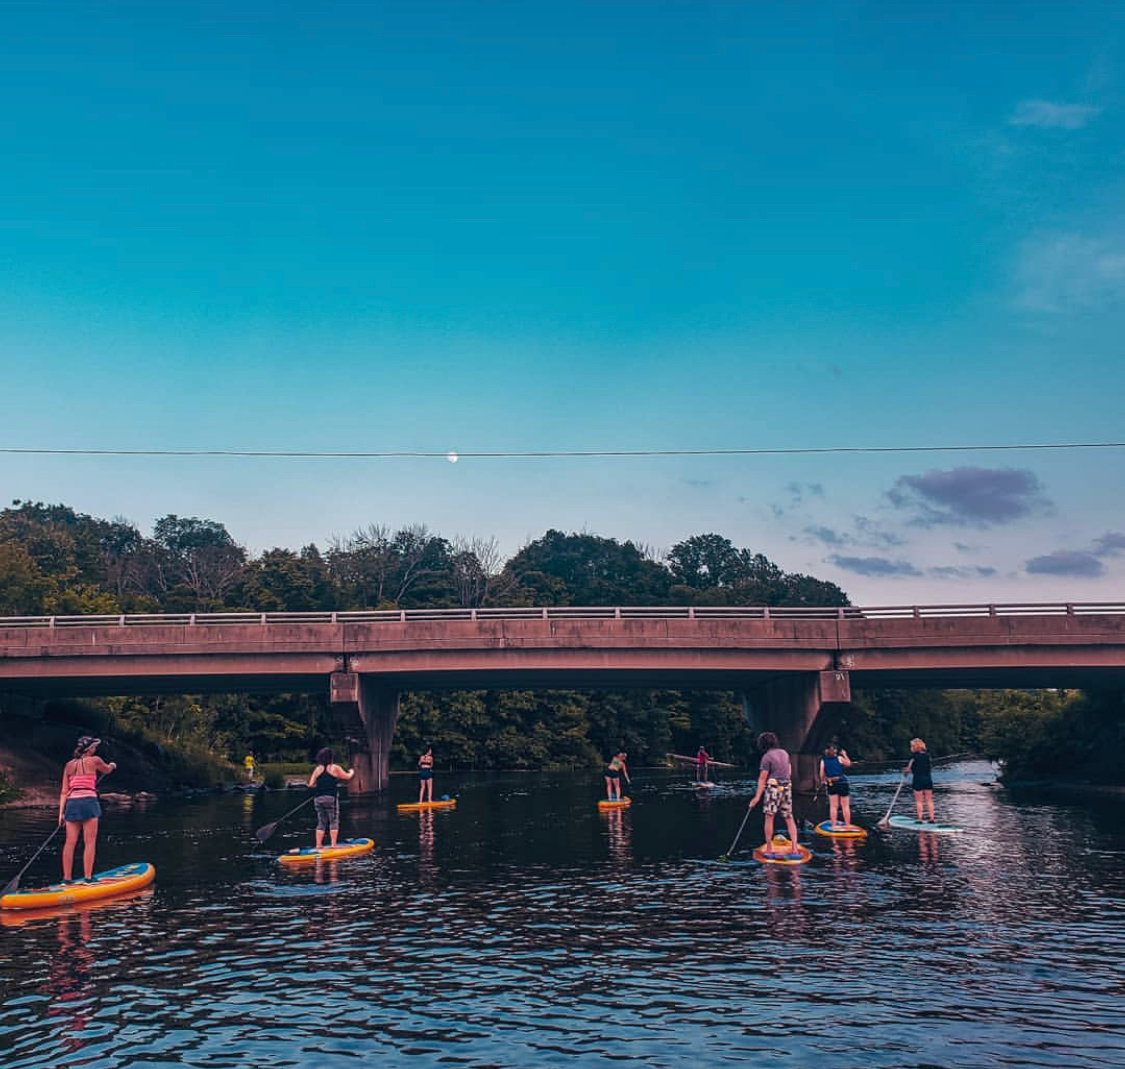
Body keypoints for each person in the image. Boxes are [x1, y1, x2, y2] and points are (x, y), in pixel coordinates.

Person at [58, 736, 116, 883]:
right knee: (89, 842)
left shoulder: (68, 765)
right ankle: (88, 877)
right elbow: (107, 770)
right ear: (90, 749)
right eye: (94, 747)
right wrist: (112, 766)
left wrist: (61, 814)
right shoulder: (95, 760)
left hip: (71, 804)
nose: (95, 749)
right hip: (89, 802)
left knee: (70, 842)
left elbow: (64, 791)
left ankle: (66, 878)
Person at [748, 732, 800, 856]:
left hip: (774, 788)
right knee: (789, 817)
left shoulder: (767, 757)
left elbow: (762, 778)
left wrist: (756, 798)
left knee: (769, 817)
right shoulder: (784, 753)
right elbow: (789, 770)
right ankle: (794, 847)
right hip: (786, 787)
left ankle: (770, 848)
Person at [307, 748, 354, 849]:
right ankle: (333, 845)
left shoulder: (317, 769)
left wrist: (320, 786)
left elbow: (310, 785)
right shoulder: (335, 768)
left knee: (321, 822)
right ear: (330, 758)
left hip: (318, 799)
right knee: (334, 821)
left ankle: (318, 846)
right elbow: (347, 777)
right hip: (330, 798)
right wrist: (351, 772)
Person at [818, 744, 854, 827]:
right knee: (845, 806)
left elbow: (821, 774)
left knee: (833, 806)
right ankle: (848, 825)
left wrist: (823, 781)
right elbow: (849, 764)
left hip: (831, 783)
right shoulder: (839, 758)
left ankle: (833, 825)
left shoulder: (823, 761)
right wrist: (845, 754)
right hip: (842, 783)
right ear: (835, 751)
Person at [906, 738, 935, 822]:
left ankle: (920, 819)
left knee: (919, 801)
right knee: (929, 800)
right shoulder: (928, 755)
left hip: (918, 779)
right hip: (928, 779)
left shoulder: (913, 756)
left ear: (915, 746)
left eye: (912, 746)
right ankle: (932, 818)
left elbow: (908, 768)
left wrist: (906, 772)